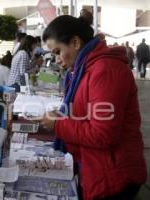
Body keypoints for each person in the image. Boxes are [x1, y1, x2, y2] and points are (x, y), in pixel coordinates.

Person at [41, 15, 147, 200]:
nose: (57, 59)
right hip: (96, 169)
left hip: (113, 176)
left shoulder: (105, 70)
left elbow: (103, 134)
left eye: (58, 51)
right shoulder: (84, 69)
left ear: (75, 42)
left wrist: (58, 124)